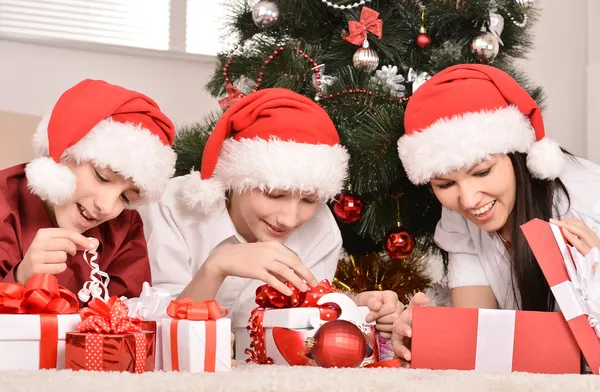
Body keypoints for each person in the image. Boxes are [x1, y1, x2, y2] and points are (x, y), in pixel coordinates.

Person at [141, 88, 402, 338]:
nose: (289, 219)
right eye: (274, 194)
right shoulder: (172, 206)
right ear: (236, 177)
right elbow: (154, 331)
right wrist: (214, 268)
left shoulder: (321, 229)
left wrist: (356, 308)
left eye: (310, 199)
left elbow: (308, 325)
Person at [390, 64, 600, 360]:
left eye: (482, 172)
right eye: (445, 183)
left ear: (519, 157)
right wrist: (427, 335)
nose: (469, 199)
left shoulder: (589, 202)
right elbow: (475, 329)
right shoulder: (458, 213)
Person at [0, 79, 176, 303]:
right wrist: (19, 278)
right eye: (102, 178)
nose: (107, 206)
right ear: (63, 153)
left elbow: (135, 323)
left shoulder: (124, 230)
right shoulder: (4, 204)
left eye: (125, 197)